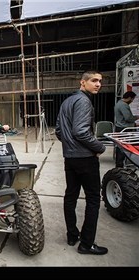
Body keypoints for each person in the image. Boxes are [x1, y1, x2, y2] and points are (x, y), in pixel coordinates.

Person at [55, 70, 108, 255]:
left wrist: (70, 147)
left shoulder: (66, 102)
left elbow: (59, 132)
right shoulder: (84, 101)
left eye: (100, 81)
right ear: (82, 83)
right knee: (93, 199)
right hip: (85, 159)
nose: (98, 84)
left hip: (70, 158)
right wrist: (99, 147)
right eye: (94, 80)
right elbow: (81, 132)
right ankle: (86, 244)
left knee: (71, 196)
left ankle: (72, 235)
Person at [114, 91, 138, 167]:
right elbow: (128, 118)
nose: (132, 101)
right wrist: (136, 117)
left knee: (120, 146)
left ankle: (119, 164)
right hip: (124, 128)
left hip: (120, 127)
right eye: (132, 99)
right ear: (129, 98)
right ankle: (120, 164)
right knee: (124, 147)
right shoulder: (124, 105)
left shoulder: (118, 103)